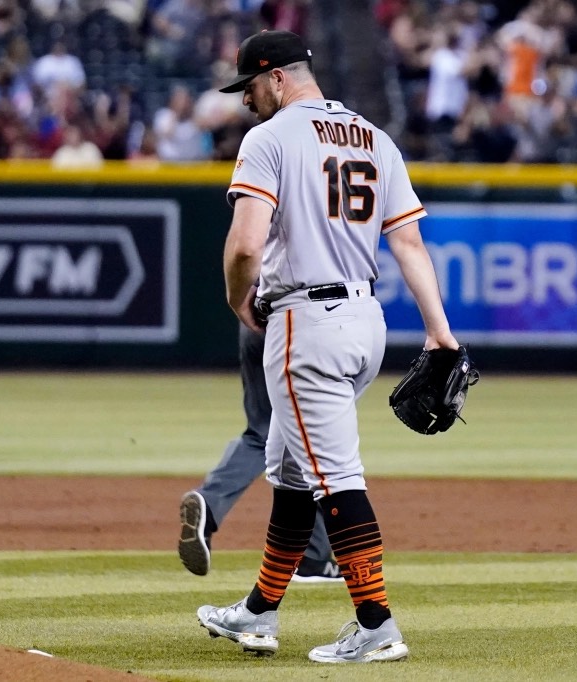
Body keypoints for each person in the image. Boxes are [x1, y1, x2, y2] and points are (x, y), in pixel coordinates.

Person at [195, 30, 460, 663]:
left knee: (335, 479)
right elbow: (408, 244)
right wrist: (440, 332)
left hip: (306, 324)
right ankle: (258, 612)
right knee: (291, 471)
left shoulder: (270, 139)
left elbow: (245, 246)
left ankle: (376, 625)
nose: (246, 99)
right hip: (366, 321)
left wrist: (237, 298)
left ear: (278, 77)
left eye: (250, 86)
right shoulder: (375, 138)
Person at [177, 324, 340, 583]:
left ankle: (314, 557)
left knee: (263, 434)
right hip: (307, 327)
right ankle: (313, 558)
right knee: (311, 434)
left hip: (256, 323)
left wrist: (244, 309)